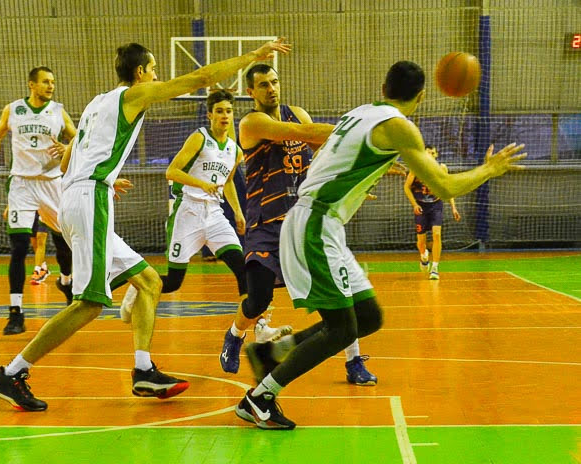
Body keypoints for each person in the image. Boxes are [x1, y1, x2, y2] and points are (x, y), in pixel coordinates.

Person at [0, 39, 291, 411]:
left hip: (81, 194)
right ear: (140, 73)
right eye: (153, 69)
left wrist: (104, 178)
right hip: (88, 200)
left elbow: (68, 161)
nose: (157, 75)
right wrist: (252, 57)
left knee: (148, 282)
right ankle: (14, 372)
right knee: (90, 305)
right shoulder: (133, 95)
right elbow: (202, 77)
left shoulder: (98, 103)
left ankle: (144, 370)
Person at [235, 60, 526, 429]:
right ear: (421, 96)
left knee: (368, 317)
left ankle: (272, 352)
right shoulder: (400, 128)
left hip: (323, 222)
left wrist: (355, 180)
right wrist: (490, 169)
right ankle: (259, 397)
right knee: (339, 329)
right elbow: (445, 187)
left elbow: (332, 155)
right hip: (314, 223)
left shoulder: (363, 113)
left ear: (384, 88)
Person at [219, 64, 378, 386]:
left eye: (275, 82)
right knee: (258, 299)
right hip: (264, 223)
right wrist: (364, 135)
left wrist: (355, 179)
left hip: (303, 221)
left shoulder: (299, 113)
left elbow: (326, 154)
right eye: (263, 85)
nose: (271, 89)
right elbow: (304, 135)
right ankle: (235, 335)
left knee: (337, 297)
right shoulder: (253, 122)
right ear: (250, 92)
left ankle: (353, 361)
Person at [119, 90, 250, 328]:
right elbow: (172, 171)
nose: (224, 116)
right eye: (219, 111)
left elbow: (229, 181)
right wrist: (202, 184)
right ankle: (137, 285)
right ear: (210, 114)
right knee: (173, 282)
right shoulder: (199, 138)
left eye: (228, 111)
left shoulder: (235, 150)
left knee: (243, 269)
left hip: (215, 215)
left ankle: (257, 328)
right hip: (188, 212)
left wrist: (238, 213)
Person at [0, 66, 77, 335]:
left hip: (51, 183)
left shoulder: (58, 110)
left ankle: (66, 282)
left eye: (53, 82)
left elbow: (78, 137)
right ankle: (15, 313)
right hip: (21, 184)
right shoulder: (13, 110)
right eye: (46, 82)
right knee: (19, 246)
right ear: (31, 84)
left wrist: (68, 147)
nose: (51, 86)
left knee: (64, 242)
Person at [404, 144, 461, 280]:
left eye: (432, 153)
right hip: (421, 207)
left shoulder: (442, 169)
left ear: (436, 155)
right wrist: (414, 204)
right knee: (421, 241)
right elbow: (406, 187)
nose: (429, 155)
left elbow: (448, 189)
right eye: (427, 153)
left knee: (436, 234)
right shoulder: (416, 169)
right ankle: (424, 255)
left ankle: (435, 268)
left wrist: (453, 207)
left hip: (436, 205)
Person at [2, 207, 51, 285]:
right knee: (34, 243)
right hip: (30, 212)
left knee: (40, 239)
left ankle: (37, 271)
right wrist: (8, 207)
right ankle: (43, 267)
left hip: (44, 210)